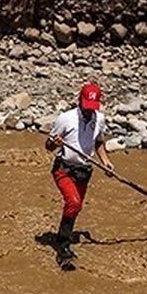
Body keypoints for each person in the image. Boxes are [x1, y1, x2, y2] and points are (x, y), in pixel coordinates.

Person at [45, 82, 114, 265]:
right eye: (86, 107)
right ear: (79, 101)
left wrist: (105, 161)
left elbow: (99, 141)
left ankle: (63, 237)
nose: (88, 111)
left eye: (92, 108)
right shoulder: (65, 119)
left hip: (84, 170)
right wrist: (56, 142)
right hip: (64, 169)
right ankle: (63, 247)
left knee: (75, 207)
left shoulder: (98, 119)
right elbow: (48, 146)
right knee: (73, 202)